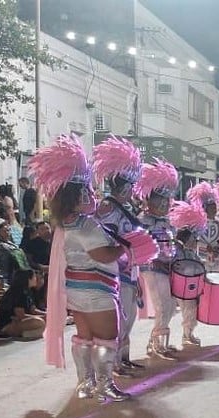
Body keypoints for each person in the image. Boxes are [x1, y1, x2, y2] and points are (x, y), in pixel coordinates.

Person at [28, 134, 132, 402]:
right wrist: (126, 247)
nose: (91, 192)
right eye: (86, 188)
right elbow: (103, 255)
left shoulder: (64, 222)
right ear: (78, 192)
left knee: (84, 337)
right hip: (97, 291)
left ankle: (85, 384)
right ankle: (104, 386)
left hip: (76, 290)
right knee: (108, 338)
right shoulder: (86, 224)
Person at [92, 135, 145, 373]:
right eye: (130, 186)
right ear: (122, 187)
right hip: (115, 271)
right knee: (120, 319)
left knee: (130, 316)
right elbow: (101, 237)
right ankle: (113, 364)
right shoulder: (106, 208)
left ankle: (123, 358)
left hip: (130, 271)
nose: (132, 190)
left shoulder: (125, 208)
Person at [136, 160, 180, 359]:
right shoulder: (141, 221)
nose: (164, 204)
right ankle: (156, 342)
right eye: (160, 199)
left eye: (166, 199)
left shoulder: (169, 221)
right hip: (151, 268)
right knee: (162, 305)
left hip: (167, 268)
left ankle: (156, 338)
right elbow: (138, 248)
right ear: (149, 200)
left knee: (170, 305)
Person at [188, 181, 219, 273]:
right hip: (201, 256)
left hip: (216, 256)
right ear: (205, 208)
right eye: (211, 207)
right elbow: (193, 240)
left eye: (215, 207)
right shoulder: (197, 224)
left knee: (217, 279)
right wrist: (204, 246)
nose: (213, 210)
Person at [0, 269, 45, 338]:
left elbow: (33, 310)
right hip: (8, 324)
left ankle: (27, 334)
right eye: (34, 277)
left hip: (19, 322)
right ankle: (22, 334)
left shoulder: (28, 291)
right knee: (39, 322)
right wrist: (40, 317)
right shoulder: (18, 292)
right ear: (28, 279)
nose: (36, 279)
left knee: (44, 321)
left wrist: (46, 314)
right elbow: (20, 315)